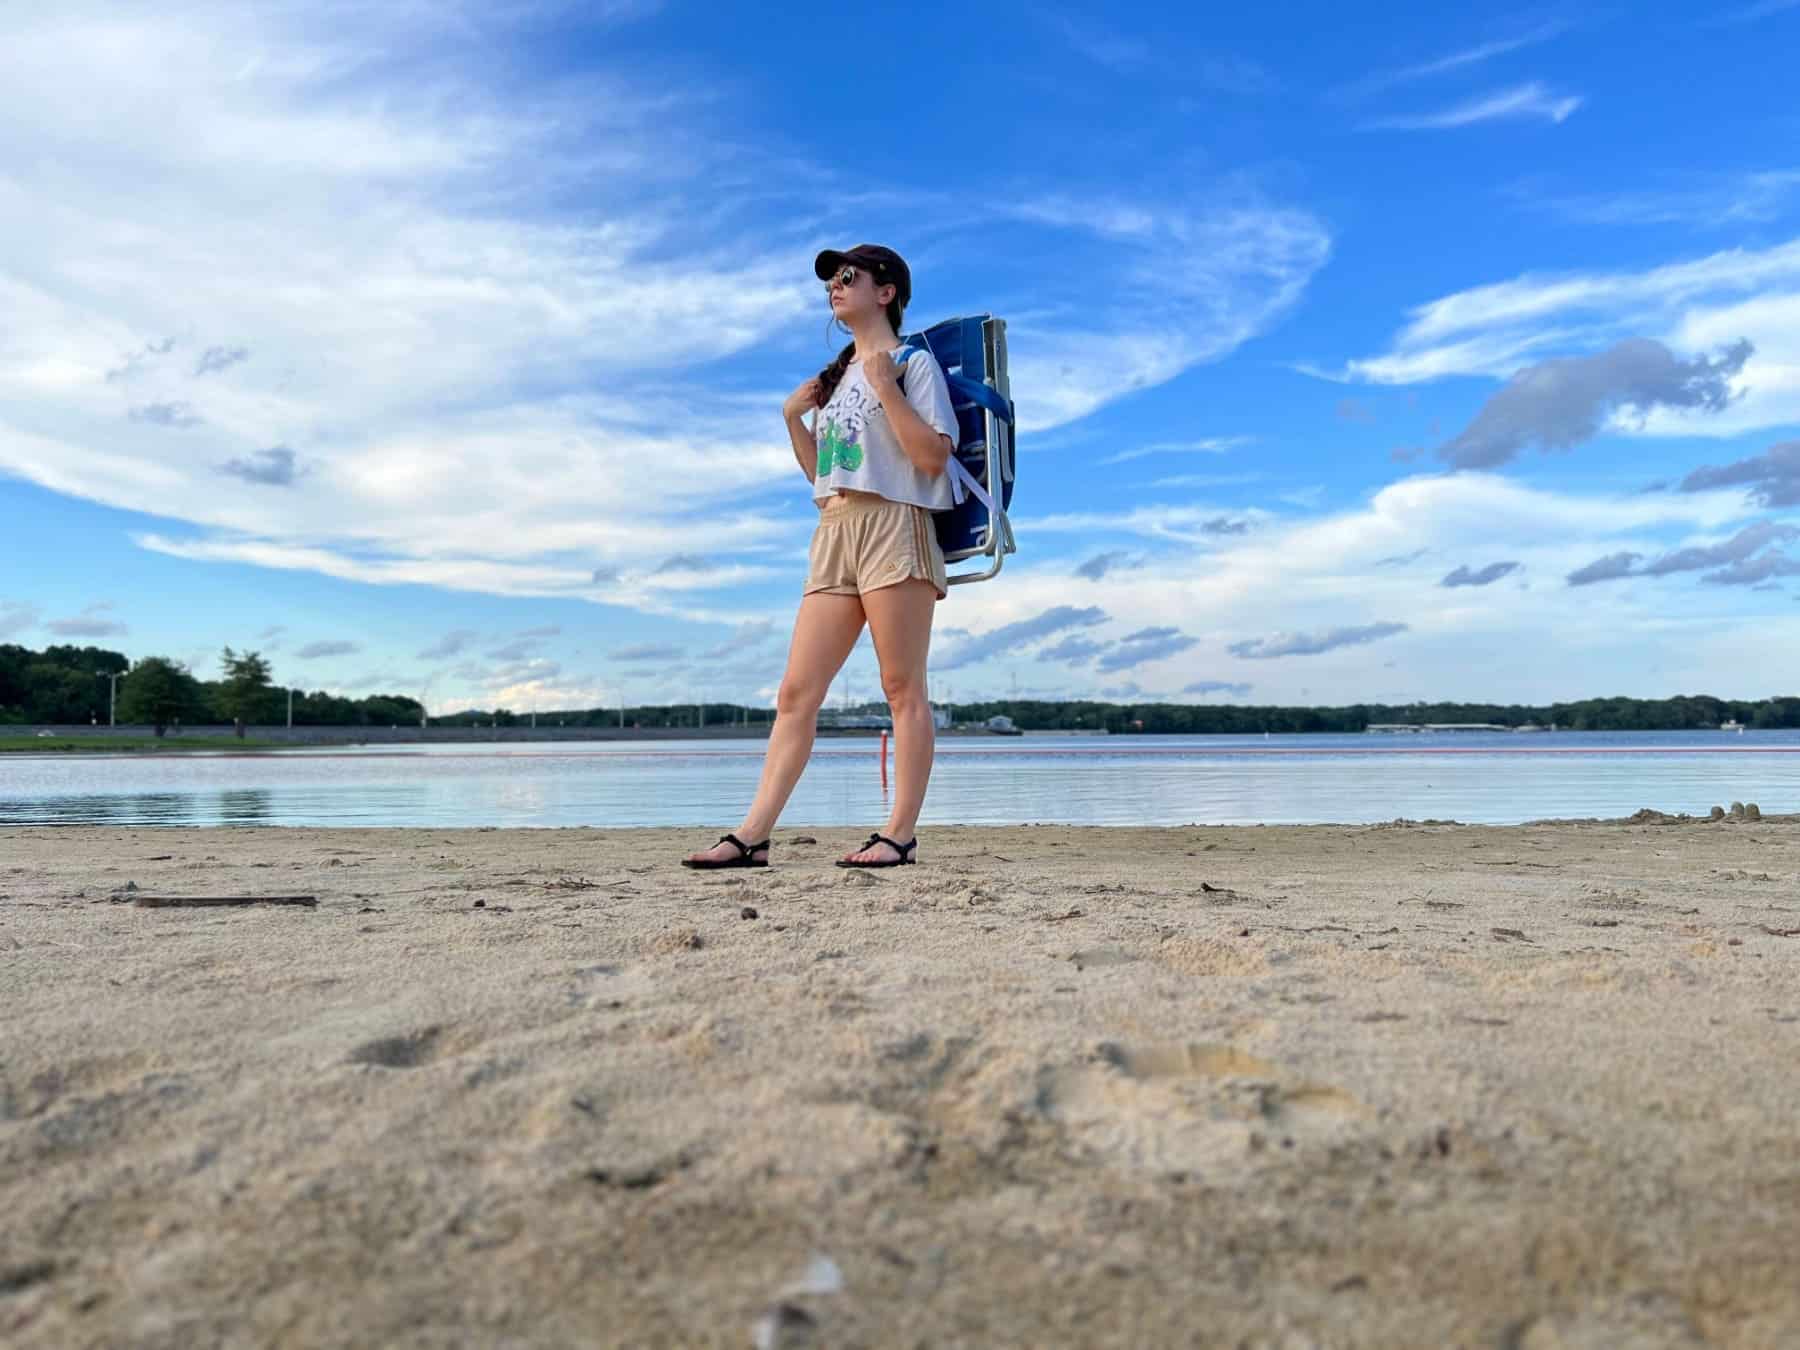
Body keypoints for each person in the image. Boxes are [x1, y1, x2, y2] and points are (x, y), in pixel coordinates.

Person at [682, 243, 958, 871]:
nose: (835, 287)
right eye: (831, 281)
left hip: (894, 521)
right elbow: (822, 480)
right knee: (795, 692)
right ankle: (752, 834)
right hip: (836, 530)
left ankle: (899, 834)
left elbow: (933, 458)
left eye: (847, 277)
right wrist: (792, 419)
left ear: (885, 291)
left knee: (901, 686)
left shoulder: (912, 364)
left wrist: (887, 388)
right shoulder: (832, 382)